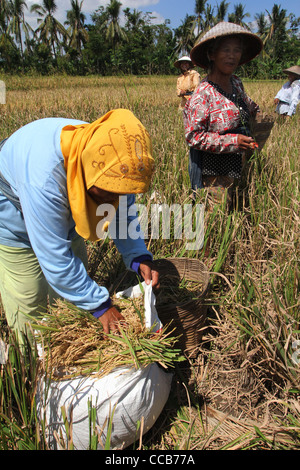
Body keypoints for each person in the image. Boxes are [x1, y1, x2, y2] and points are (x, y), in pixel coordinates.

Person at [0, 109, 158, 343]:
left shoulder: (115, 160)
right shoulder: (44, 178)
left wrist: (138, 256)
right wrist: (101, 306)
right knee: (31, 302)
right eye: (108, 193)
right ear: (90, 173)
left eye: (120, 194)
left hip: (65, 207)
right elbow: (55, 257)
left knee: (71, 297)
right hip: (15, 219)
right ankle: (33, 363)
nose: (110, 202)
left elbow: (122, 213)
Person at [183, 22, 263, 208]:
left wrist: (259, 122)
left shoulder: (236, 83)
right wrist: (233, 141)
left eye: (236, 50)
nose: (232, 55)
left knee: (237, 210)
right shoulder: (204, 93)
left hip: (238, 165)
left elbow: (250, 106)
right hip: (214, 172)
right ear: (212, 54)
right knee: (217, 219)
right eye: (226, 50)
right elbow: (193, 136)